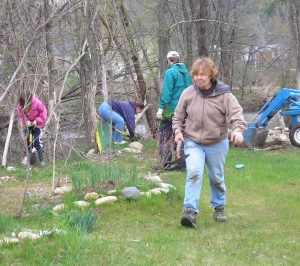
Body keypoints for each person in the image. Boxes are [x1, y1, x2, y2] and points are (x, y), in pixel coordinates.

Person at [173, 57, 247, 228]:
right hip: (193, 142)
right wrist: (178, 132)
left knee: (217, 178)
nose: (198, 78)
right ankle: (190, 212)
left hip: (217, 142)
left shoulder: (225, 95)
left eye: (202, 75)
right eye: (196, 75)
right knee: (194, 173)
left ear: (211, 76)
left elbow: (237, 116)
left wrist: (237, 130)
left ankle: (219, 206)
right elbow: (178, 117)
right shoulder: (188, 93)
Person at [156, 51, 192, 170]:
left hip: (171, 110)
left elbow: (167, 93)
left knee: (164, 136)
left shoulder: (170, 72)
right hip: (186, 110)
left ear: (169, 60)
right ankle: (182, 165)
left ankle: (165, 164)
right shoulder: (186, 72)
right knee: (180, 135)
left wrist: (161, 109)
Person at [17, 91, 48, 166]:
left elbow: (44, 113)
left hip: (37, 125)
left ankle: (42, 161)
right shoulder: (20, 104)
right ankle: (32, 161)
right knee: (29, 142)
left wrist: (36, 121)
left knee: (36, 141)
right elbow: (21, 115)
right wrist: (26, 121)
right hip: (28, 126)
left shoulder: (37, 102)